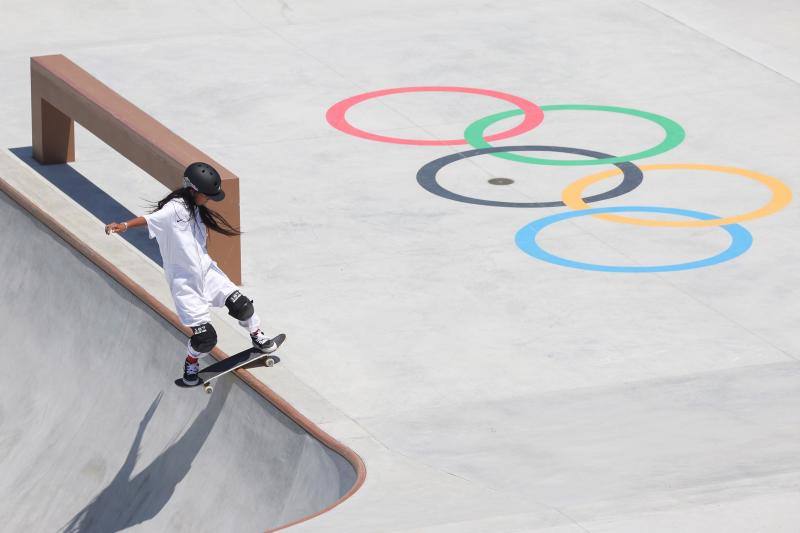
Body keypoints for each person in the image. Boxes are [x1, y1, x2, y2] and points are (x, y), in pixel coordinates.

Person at [105, 162, 276, 385]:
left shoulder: (195, 207)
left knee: (242, 305)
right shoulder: (173, 209)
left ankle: (257, 335)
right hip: (184, 284)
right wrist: (123, 226)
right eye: (206, 195)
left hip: (208, 273)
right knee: (206, 339)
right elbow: (148, 219)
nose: (208, 200)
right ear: (193, 190)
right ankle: (191, 361)